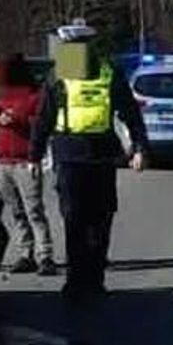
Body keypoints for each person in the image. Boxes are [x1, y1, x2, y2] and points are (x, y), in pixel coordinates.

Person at [29, 20, 150, 299]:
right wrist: (33, 156)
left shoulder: (108, 72)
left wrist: (140, 148)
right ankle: (77, 280)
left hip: (101, 155)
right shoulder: (58, 76)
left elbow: (131, 113)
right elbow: (44, 117)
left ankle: (94, 279)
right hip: (70, 156)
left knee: (100, 219)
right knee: (75, 220)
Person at [0, 55, 57, 277]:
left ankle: (45, 255)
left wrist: (15, 120)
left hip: (26, 161)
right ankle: (25, 253)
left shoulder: (35, 96)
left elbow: (41, 124)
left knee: (33, 209)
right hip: (3, 161)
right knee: (16, 211)